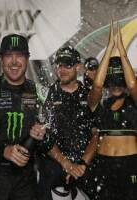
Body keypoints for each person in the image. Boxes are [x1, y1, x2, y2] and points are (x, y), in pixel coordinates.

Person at [0, 34, 76, 200]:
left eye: (19, 55)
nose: (14, 62)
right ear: (1, 59)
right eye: (8, 56)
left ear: (27, 59)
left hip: (26, 183)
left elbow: (48, 143)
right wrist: (4, 150)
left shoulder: (40, 94)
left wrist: (42, 137)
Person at [83, 22, 137, 200]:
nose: (116, 84)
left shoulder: (134, 102)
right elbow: (97, 85)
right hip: (104, 167)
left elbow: (132, 84)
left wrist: (121, 50)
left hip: (130, 167)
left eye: (119, 78)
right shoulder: (100, 104)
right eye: (112, 79)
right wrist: (108, 49)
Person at [36, 46, 96, 200]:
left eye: (67, 65)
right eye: (59, 65)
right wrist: (67, 164)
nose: (62, 70)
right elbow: (43, 136)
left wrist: (81, 165)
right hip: (53, 170)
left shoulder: (89, 96)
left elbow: (97, 135)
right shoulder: (47, 96)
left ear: (78, 67)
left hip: (84, 170)